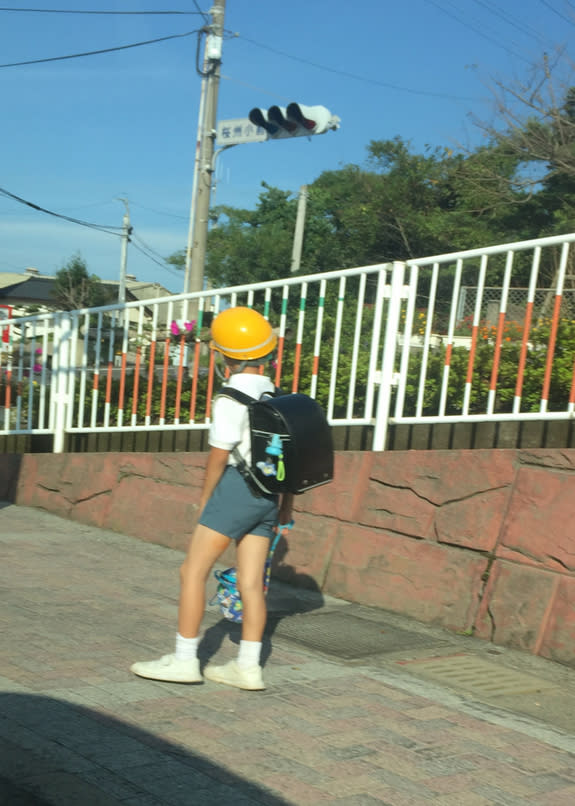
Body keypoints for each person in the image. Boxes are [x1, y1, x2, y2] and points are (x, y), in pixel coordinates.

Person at [131, 307, 293, 691]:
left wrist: (206, 501)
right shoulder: (276, 395)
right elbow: (284, 455)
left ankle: (186, 661)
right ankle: (248, 667)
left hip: (238, 488)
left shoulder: (231, 398)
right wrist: (287, 504)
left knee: (192, 571)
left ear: (224, 356)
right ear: (266, 352)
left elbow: (219, 456)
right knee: (251, 584)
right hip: (271, 492)